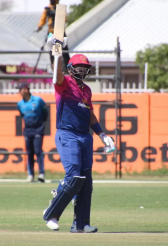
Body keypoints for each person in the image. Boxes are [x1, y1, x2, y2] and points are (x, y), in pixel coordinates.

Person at [42, 35, 115, 233]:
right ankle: (51, 214)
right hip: (67, 133)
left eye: (85, 68)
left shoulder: (87, 90)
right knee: (73, 174)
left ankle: (81, 224)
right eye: (78, 68)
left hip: (85, 136)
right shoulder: (63, 82)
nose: (82, 71)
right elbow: (57, 73)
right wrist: (56, 53)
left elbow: (90, 114)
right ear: (71, 68)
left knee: (86, 180)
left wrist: (102, 135)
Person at [17, 83, 48, 183]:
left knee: (38, 152)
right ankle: (30, 175)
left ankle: (41, 174)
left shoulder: (38, 100)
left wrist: (40, 123)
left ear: (26, 89)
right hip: (27, 130)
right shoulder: (20, 104)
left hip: (38, 129)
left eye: (20, 89)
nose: (19, 91)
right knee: (29, 153)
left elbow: (45, 113)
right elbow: (22, 116)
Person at [37, 0, 70, 73]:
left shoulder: (61, 8)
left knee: (64, 52)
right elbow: (43, 19)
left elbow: (65, 19)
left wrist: (56, 13)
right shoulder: (48, 8)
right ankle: (54, 68)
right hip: (51, 32)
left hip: (60, 32)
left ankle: (67, 69)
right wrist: (40, 26)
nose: (51, 1)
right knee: (52, 52)